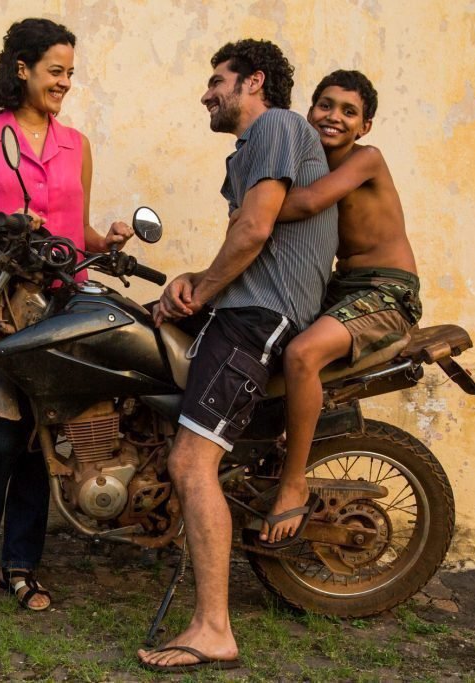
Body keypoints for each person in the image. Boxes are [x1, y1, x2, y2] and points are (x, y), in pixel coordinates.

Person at [138, 39, 337, 671]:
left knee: (192, 462)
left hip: (258, 318)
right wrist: (191, 283)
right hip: (245, 307)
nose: (206, 93)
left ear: (253, 82)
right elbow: (251, 242)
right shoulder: (247, 153)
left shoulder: (277, 125)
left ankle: (213, 629)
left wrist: (203, 290)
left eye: (216, 81)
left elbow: (253, 232)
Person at [0, 18, 132, 611]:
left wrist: (109, 242)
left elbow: (75, 230)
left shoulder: (77, 145)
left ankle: (22, 562)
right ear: (22, 68)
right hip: (1, 303)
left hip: (65, 304)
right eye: (55, 71)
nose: (65, 82)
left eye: (70, 73)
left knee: (46, 435)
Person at [258, 70, 421, 546]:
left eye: (348, 111)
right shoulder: (309, 160)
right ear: (310, 111)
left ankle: (293, 484)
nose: (334, 117)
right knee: (258, 335)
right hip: (339, 289)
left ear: (364, 126)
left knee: (302, 355)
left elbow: (306, 205)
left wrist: (250, 209)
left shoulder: (366, 159)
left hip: (387, 291)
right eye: (325, 105)